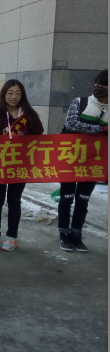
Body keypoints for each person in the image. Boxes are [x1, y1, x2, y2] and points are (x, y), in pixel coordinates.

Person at [0, 80, 44, 252]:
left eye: (18, 93)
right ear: (4, 94)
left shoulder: (29, 114)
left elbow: (39, 135)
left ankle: (12, 236)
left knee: (14, 200)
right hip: (0, 164)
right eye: (10, 93)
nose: (14, 96)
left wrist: (25, 136)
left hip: (20, 164)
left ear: (22, 95)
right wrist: (1, 135)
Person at [57, 69, 108, 253]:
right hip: (71, 159)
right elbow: (71, 124)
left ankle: (76, 233)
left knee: (83, 199)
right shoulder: (80, 102)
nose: (98, 88)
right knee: (66, 197)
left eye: (104, 86)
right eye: (97, 84)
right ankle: (64, 234)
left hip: (94, 162)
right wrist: (100, 129)